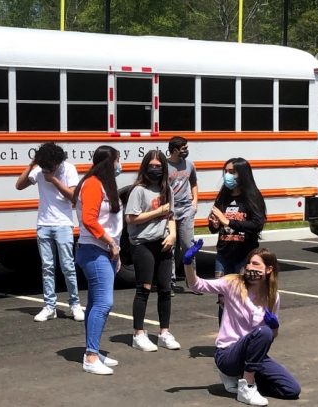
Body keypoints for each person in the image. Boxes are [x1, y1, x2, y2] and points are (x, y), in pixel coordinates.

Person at [184, 247, 301, 406]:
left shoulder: (273, 296)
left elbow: (271, 336)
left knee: (291, 390)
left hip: (252, 355)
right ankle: (247, 386)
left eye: (255, 264)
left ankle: (245, 378)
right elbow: (196, 285)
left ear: (268, 269)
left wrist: (275, 326)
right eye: (248, 263)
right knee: (263, 331)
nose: (250, 267)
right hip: (227, 354)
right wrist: (188, 264)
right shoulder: (233, 283)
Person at [15, 143, 84, 322]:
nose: (48, 169)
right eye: (45, 166)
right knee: (47, 267)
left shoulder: (69, 169)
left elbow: (73, 196)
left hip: (63, 224)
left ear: (58, 162)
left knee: (68, 266)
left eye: (51, 166)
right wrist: (32, 165)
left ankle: (75, 304)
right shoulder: (39, 169)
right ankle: (49, 306)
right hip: (43, 224)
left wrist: (53, 179)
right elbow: (19, 185)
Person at [73, 145, 123, 375]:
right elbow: (89, 220)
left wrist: (116, 249)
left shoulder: (104, 184)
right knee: (104, 303)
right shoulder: (92, 183)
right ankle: (91, 356)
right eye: (117, 160)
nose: (119, 165)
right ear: (108, 162)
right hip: (94, 249)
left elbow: (110, 222)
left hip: (105, 250)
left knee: (95, 303)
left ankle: (92, 350)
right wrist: (111, 243)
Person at [125, 150, 180, 352]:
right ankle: (138, 333)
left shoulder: (167, 190)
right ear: (145, 167)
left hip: (163, 243)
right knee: (144, 288)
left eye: (159, 166)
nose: (155, 169)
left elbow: (171, 216)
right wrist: (158, 211)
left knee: (165, 289)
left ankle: (164, 332)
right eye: (152, 166)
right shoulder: (138, 190)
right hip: (142, 244)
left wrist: (172, 235)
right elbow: (131, 218)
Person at [208, 158, 266, 323]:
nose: (228, 175)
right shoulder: (223, 196)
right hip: (224, 255)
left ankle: (243, 339)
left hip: (244, 257)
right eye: (226, 172)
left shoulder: (252, 196)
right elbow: (214, 225)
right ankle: (224, 341)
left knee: (243, 299)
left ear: (243, 174)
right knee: (223, 300)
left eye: (232, 172)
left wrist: (228, 221)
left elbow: (257, 224)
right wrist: (214, 224)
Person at [166, 136, 199, 294]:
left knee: (188, 245)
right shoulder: (165, 166)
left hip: (186, 208)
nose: (186, 151)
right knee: (170, 246)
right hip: (171, 209)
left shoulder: (189, 164)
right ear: (174, 150)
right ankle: (170, 281)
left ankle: (192, 280)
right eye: (183, 148)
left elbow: (193, 183)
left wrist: (195, 203)